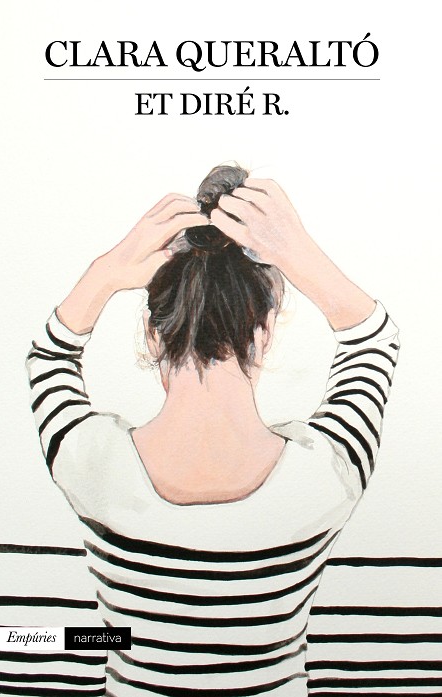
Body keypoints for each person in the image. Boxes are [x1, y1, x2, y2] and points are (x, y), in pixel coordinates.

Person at [26, 165, 399, 696]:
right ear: (264, 331)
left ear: (153, 334)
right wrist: (296, 250)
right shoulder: (327, 472)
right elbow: (374, 342)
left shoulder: (91, 463)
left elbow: (48, 357)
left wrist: (105, 272)